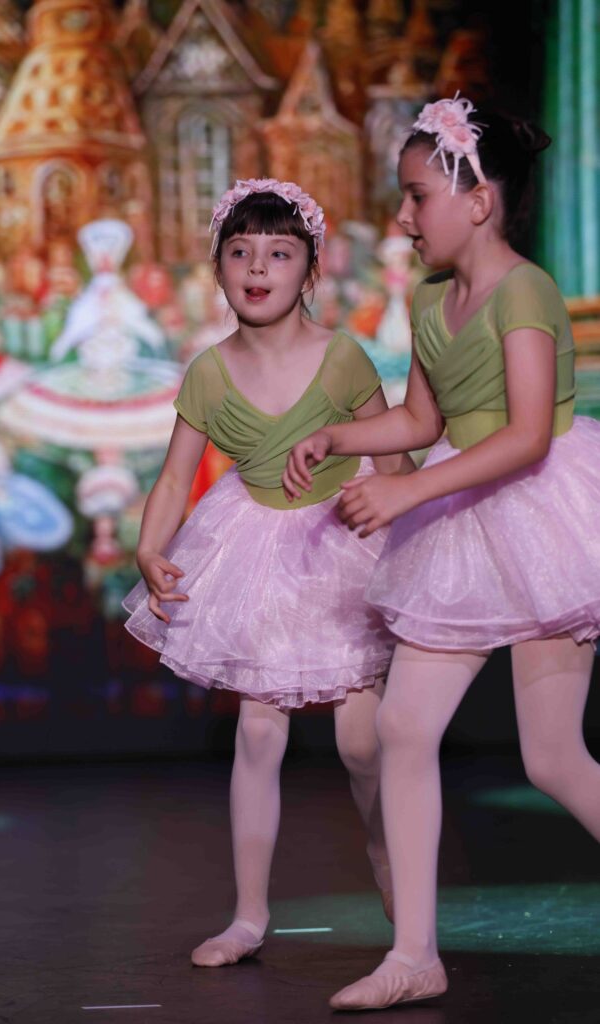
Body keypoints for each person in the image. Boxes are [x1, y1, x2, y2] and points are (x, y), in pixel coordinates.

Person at [283, 96, 600, 1010]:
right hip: (460, 524)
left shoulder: (525, 291)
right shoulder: (428, 299)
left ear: (478, 202)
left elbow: (527, 435)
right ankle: (414, 953)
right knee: (403, 729)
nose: (402, 217)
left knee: (551, 757)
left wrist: (406, 491)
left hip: (542, 519)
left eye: (416, 196)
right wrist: (341, 438)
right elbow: (423, 420)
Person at [123, 179, 413, 968]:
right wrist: (150, 549)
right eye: (240, 252)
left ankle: (392, 871)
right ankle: (248, 916)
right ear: (217, 268)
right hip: (253, 551)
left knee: (360, 743)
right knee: (257, 732)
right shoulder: (208, 372)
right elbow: (174, 477)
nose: (257, 267)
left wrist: (413, 524)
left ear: (309, 271)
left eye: (279, 253)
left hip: (341, 545)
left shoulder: (341, 356)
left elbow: (392, 454)